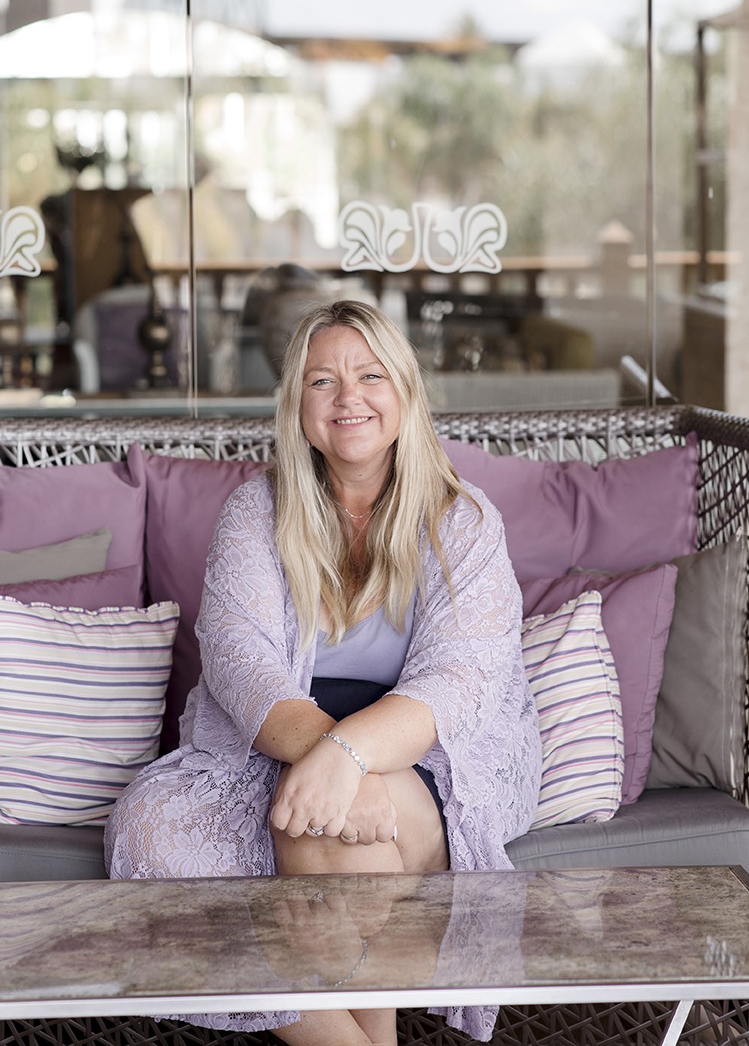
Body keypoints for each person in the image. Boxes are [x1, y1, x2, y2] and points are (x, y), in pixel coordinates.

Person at [105, 299, 542, 1046]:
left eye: (370, 375)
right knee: (150, 832)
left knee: (321, 829)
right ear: (297, 405)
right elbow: (241, 664)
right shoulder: (255, 512)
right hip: (273, 745)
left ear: (404, 391)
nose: (348, 398)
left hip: (429, 753)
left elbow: (458, 681)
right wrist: (338, 764)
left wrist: (352, 758)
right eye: (322, 381)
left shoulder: (462, 520)